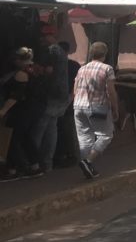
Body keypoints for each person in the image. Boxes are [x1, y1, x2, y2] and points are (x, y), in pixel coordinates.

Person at [72, 41, 119, 179]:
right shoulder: (107, 69)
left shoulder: (82, 68)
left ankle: (88, 167)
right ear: (105, 54)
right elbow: (111, 91)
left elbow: (75, 88)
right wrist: (115, 108)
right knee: (106, 135)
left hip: (78, 105)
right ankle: (88, 161)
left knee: (84, 138)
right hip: (97, 106)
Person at [0, 48, 45, 180]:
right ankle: (34, 166)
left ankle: (15, 169)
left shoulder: (21, 74)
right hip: (32, 109)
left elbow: (16, 95)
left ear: (20, 60)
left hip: (21, 110)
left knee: (13, 139)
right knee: (25, 137)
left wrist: (3, 110)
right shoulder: (33, 70)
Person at [31, 29, 69, 172]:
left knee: (39, 129)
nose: (41, 40)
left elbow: (48, 71)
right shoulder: (60, 50)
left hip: (51, 95)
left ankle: (33, 161)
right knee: (51, 129)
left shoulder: (51, 51)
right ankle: (47, 163)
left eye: (42, 37)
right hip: (61, 95)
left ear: (48, 36)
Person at [54, 42, 81, 168]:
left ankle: (70, 156)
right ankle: (64, 155)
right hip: (64, 102)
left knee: (66, 130)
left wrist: (69, 99)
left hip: (67, 103)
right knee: (62, 130)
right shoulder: (73, 65)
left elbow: (77, 85)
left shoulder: (72, 65)